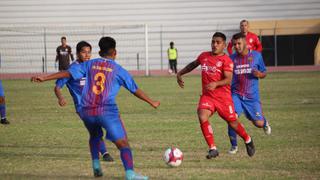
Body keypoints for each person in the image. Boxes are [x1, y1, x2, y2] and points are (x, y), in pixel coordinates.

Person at [31, 36, 160, 179]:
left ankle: (96, 164)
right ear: (115, 52)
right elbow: (134, 89)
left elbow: (68, 73)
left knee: (95, 135)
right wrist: (151, 101)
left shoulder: (89, 64)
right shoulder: (118, 70)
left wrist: (44, 77)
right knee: (123, 143)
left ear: (99, 51)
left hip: (86, 110)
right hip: (106, 110)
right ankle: (130, 174)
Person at [176, 32, 255, 158]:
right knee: (202, 115)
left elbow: (228, 79)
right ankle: (213, 148)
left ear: (224, 45)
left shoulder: (226, 60)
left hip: (223, 98)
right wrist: (180, 73)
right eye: (213, 42)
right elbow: (193, 64)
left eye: (218, 42)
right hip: (208, 96)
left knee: (232, 122)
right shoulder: (204, 56)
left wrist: (216, 84)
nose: (214, 44)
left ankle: (247, 139)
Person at [54, 41, 114, 162]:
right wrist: (61, 98)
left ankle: (100, 149)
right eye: (83, 52)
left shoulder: (92, 67)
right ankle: (105, 153)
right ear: (77, 53)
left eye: (89, 52)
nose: (87, 55)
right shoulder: (72, 69)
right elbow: (57, 87)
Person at [227, 33, 271, 154]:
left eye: (239, 43)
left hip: (252, 97)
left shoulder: (256, 56)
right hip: (236, 94)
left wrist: (259, 75)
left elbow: (264, 72)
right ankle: (234, 145)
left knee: (258, 123)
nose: (236, 46)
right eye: (234, 44)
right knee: (232, 117)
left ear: (245, 42)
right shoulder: (231, 58)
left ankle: (265, 122)